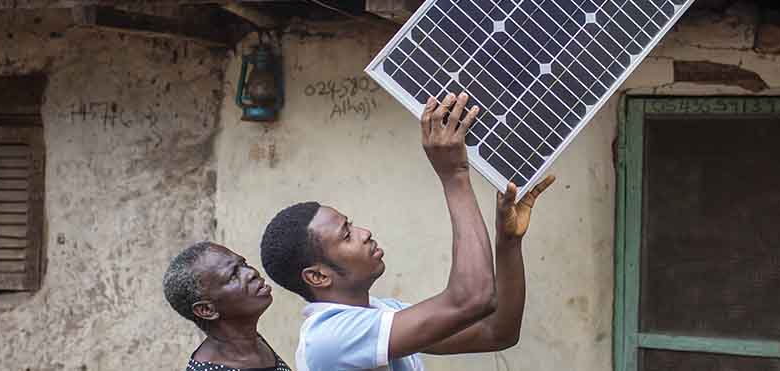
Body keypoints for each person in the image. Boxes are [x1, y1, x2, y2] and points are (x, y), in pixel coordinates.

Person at [260, 92, 554, 371]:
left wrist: (508, 242)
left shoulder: (381, 312)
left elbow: (496, 332)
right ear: (318, 276)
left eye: (352, 224)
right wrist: (454, 175)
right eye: (346, 235)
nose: (364, 233)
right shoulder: (330, 339)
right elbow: (471, 299)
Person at [163, 241, 291, 371]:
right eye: (233, 276)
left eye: (244, 264)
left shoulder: (251, 343)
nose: (251, 273)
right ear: (206, 310)